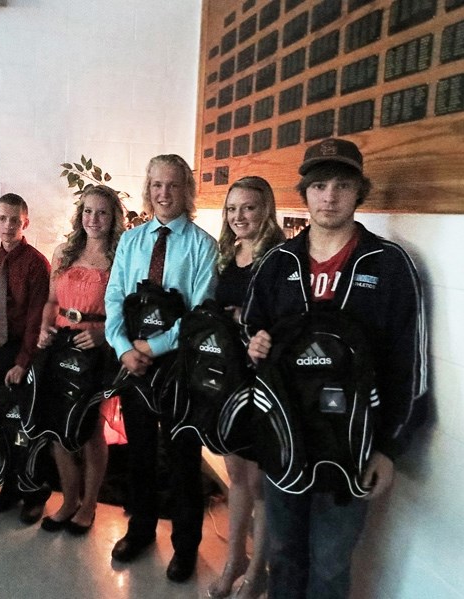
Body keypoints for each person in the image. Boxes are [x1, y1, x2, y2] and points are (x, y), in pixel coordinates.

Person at [244, 138, 428, 598]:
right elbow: (250, 327)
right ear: (304, 193)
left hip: (352, 444)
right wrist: (255, 341)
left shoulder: (388, 265)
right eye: (320, 185)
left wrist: (388, 448)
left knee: (329, 564)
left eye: (342, 186)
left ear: (358, 193)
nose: (329, 197)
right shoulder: (277, 262)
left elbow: (411, 365)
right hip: (286, 436)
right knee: (284, 554)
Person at [104, 154, 218, 582]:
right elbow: (115, 296)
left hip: (179, 369)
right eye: (156, 186)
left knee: (184, 460)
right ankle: (140, 531)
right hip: (133, 366)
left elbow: (199, 313)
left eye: (172, 185)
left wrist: (150, 345)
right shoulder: (132, 242)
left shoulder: (203, 246)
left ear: (186, 190)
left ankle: (185, 547)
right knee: (138, 457)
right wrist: (121, 347)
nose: (164, 194)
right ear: (148, 189)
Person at [208, 176, 285, 598]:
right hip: (230, 374)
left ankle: (258, 572)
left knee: (261, 483)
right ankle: (235, 557)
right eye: (232, 208)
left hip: (264, 376)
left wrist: (247, 322)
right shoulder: (228, 253)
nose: (239, 216)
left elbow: (286, 319)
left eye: (249, 208)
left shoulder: (280, 257)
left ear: (266, 210)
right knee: (236, 473)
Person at [36, 185, 125, 534]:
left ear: (113, 216)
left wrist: (105, 335)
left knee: (90, 432)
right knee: (59, 428)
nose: (94, 219)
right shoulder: (64, 252)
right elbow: (50, 302)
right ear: (79, 214)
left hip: (97, 346)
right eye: (88, 211)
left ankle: (89, 505)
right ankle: (68, 500)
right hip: (60, 344)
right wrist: (44, 329)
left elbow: (129, 309)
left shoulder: (121, 255)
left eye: (102, 212)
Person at [0, 193, 51, 524]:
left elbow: (37, 319)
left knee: (29, 425)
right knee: (0, 422)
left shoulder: (37, 264)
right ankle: (7, 484)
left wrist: (23, 361)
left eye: (15, 219)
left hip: (26, 353)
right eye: (2, 218)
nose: (8, 225)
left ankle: (34, 491)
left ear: (25, 222)